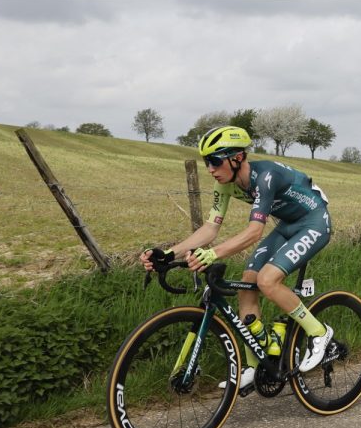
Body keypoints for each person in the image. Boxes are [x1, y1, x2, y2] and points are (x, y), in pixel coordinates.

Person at [140, 126, 333, 391]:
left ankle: (319, 333)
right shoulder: (225, 184)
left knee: (267, 280)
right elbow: (210, 228)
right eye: (206, 162)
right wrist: (171, 253)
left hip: (313, 222)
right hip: (288, 224)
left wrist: (212, 253)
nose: (209, 168)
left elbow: (254, 232)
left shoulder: (264, 177)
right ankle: (254, 365)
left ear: (237, 158)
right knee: (247, 282)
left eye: (214, 160)